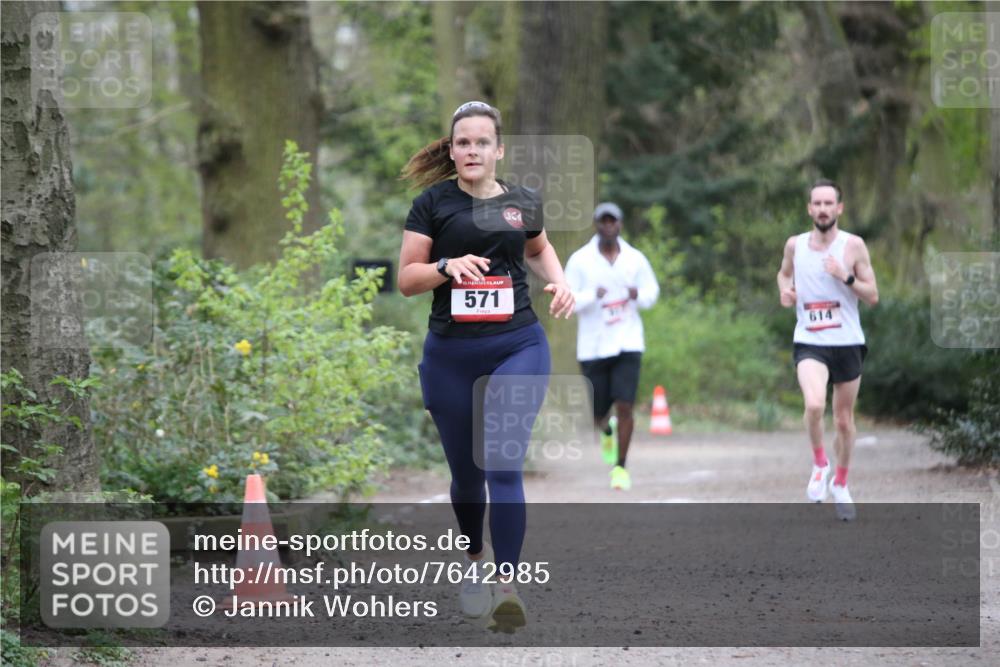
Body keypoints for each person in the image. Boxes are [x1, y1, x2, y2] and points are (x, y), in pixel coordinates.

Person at [397, 101, 574, 632]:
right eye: (462, 143)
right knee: (467, 477)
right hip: (451, 354)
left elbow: (540, 250)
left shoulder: (522, 203)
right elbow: (407, 279)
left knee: (502, 461)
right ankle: (474, 561)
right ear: (452, 151)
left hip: (517, 344)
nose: (472, 150)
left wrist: (560, 282)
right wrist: (446, 267)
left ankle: (507, 586)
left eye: (481, 142)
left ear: (499, 150)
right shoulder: (432, 204)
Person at [777, 178, 879, 521]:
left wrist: (844, 276)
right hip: (810, 340)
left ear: (839, 208)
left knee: (845, 421)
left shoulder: (854, 247)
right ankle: (820, 463)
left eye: (828, 203)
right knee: (815, 404)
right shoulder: (795, 245)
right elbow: (783, 274)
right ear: (809, 209)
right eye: (816, 203)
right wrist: (785, 292)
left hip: (848, 342)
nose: (822, 209)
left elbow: (873, 296)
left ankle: (842, 482)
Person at [564, 202, 659, 491]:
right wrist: (593, 294)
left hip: (628, 340)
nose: (608, 227)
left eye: (613, 222)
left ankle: (620, 467)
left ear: (620, 224)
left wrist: (637, 294)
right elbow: (569, 299)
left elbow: (652, 292)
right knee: (598, 411)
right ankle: (606, 428)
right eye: (603, 222)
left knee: (626, 405)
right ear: (596, 224)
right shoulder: (580, 261)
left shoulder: (634, 259)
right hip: (593, 345)